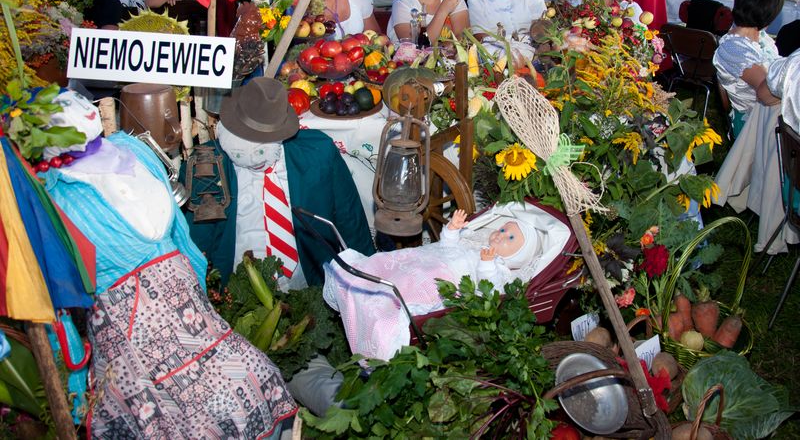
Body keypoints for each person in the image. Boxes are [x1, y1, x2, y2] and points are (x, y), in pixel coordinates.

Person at [39, 89, 297, 437]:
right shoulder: (61, 190)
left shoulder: (122, 159)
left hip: (178, 314)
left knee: (243, 383)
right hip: (142, 333)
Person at [184, 77, 376, 287]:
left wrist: (367, 280)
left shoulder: (319, 153)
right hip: (236, 291)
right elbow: (195, 246)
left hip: (312, 285)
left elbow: (350, 219)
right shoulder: (205, 168)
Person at [324, 204, 548, 360]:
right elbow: (447, 247)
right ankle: (359, 275)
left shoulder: (500, 269)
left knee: (406, 289)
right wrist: (452, 230)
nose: (500, 234)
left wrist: (487, 264)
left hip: (441, 280)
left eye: (510, 238)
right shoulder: (475, 245)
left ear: (519, 255)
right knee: (396, 265)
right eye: (502, 229)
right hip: (426, 261)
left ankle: (381, 311)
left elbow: (490, 291)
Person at [713, 0, 784, 137]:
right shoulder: (734, 50)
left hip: (770, 115)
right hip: (755, 124)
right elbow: (770, 92)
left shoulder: (760, 37)